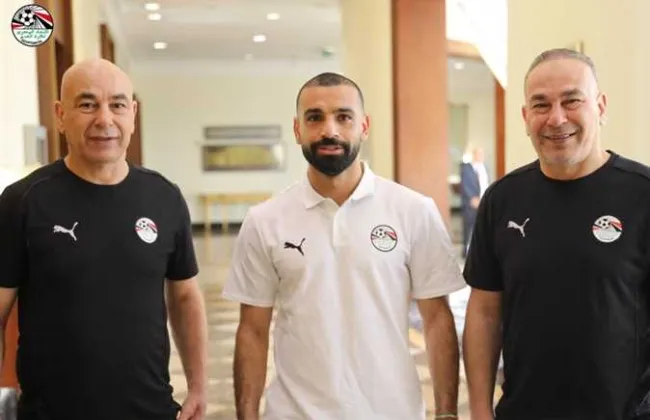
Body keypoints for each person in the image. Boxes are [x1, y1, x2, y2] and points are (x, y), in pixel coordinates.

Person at [222, 72, 467, 420]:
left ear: (364, 126)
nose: (330, 130)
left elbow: (437, 320)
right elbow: (252, 330)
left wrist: (446, 414)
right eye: (314, 118)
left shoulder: (414, 211)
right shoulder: (264, 220)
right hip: (294, 413)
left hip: (392, 412)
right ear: (297, 130)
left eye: (344, 117)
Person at [0, 58, 208, 420]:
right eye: (87, 104)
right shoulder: (23, 201)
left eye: (117, 105)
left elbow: (185, 296)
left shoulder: (164, 197)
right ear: (60, 114)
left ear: (133, 114)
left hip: (150, 409)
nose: (104, 119)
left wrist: (199, 386)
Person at [462, 47, 650, 420]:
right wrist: (480, 410)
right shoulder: (502, 200)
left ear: (600, 106)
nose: (557, 118)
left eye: (571, 100)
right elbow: (483, 313)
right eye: (541, 105)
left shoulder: (642, 195)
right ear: (525, 116)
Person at [460, 145, 489, 256]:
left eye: (482, 154)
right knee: (468, 227)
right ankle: (466, 251)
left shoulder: (484, 168)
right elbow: (465, 185)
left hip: (483, 201)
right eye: (478, 154)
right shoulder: (467, 168)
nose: (480, 156)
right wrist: (472, 198)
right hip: (470, 203)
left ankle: (480, 251)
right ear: (474, 155)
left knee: (482, 227)